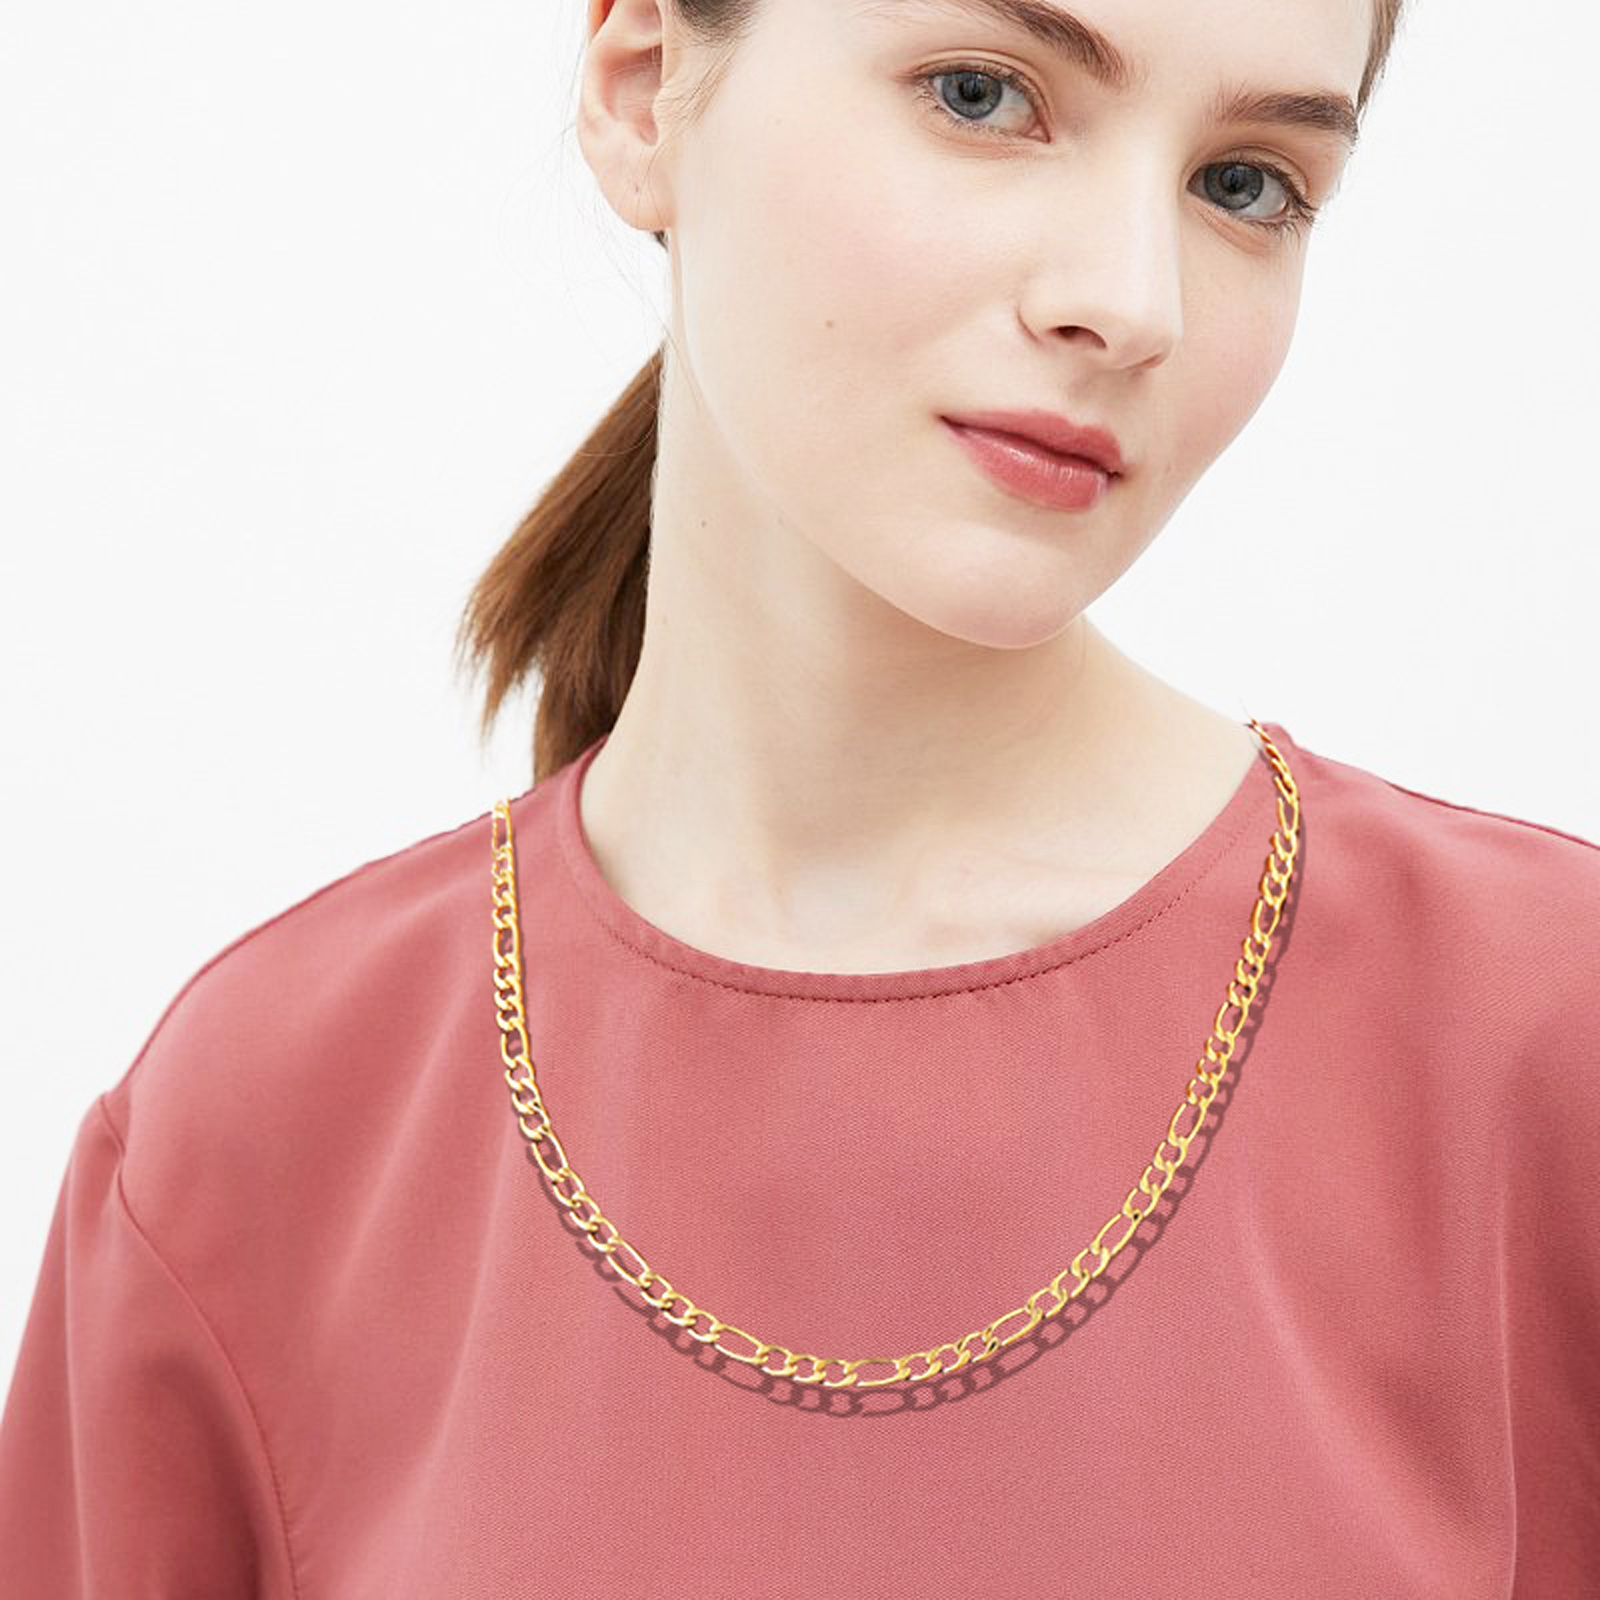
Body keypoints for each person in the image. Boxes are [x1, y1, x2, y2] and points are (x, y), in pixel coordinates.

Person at [2, 0, 1596, 1592]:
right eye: (983, 94)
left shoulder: (1536, 1047)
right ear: (643, 89)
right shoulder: (254, 1135)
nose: (1131, 302)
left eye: (1245, 185)